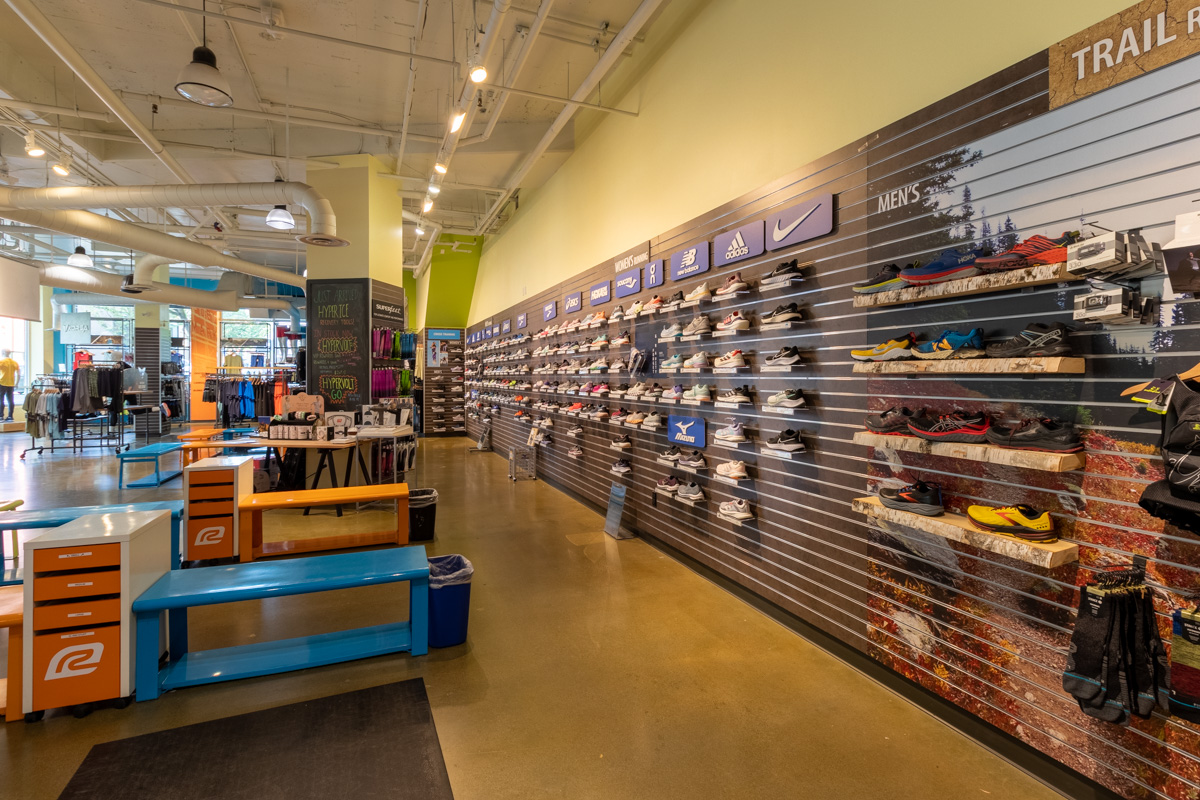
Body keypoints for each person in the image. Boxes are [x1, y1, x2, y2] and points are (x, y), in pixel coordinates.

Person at [0, 349, 19, 422]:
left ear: (4, 353)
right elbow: (18, 374)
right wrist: (16, 383)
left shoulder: (1, 362)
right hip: (11, 384)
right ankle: (10, 416)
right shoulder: (15, 363)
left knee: (1, 399)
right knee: (10, 400)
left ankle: (1, 416)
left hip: (2, 382)